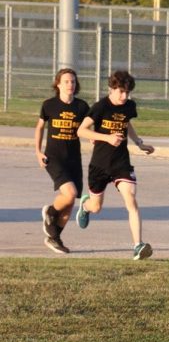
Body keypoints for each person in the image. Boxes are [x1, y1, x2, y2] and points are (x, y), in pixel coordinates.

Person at [75, 70, 155, 259]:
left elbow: (126, 124)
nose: (124, 96)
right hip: (100, 165)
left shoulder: (129, 106)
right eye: (121, 92)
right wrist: (106, 138)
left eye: (127, 92)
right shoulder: (100, 106)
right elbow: (81, 131)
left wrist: (139, 142)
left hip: (121, 163)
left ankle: (138, 245)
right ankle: (85, 207)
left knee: (131, 200)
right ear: (111, 89)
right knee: (96, 207)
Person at [34, 67, 89, 254]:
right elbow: (40, 128)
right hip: (54, 157)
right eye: (66, 81)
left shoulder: (82, 107)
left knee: (71, 201)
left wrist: (94, 137)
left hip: (73, 159)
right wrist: (38, 152)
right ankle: (50, 211)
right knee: (70, 193)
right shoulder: (49, 105)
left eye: (73, 81)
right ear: (58, 84)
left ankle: (54, 237)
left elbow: (88, 128)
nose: (70, 85)